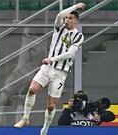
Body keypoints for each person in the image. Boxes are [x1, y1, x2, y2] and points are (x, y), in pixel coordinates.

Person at [14, 2, 86, 135]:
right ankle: (25, 119)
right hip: (47, 68)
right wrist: (75, 6)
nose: (67, 20)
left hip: (60, 72)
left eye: (70, 18)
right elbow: (60, 15)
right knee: (31, 90)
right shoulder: (59, 28)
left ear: (76, 21)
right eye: (67, 18)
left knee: (51, 105)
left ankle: (45, 129)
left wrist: (51, 59)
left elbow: (70, 53)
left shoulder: (78, 36)